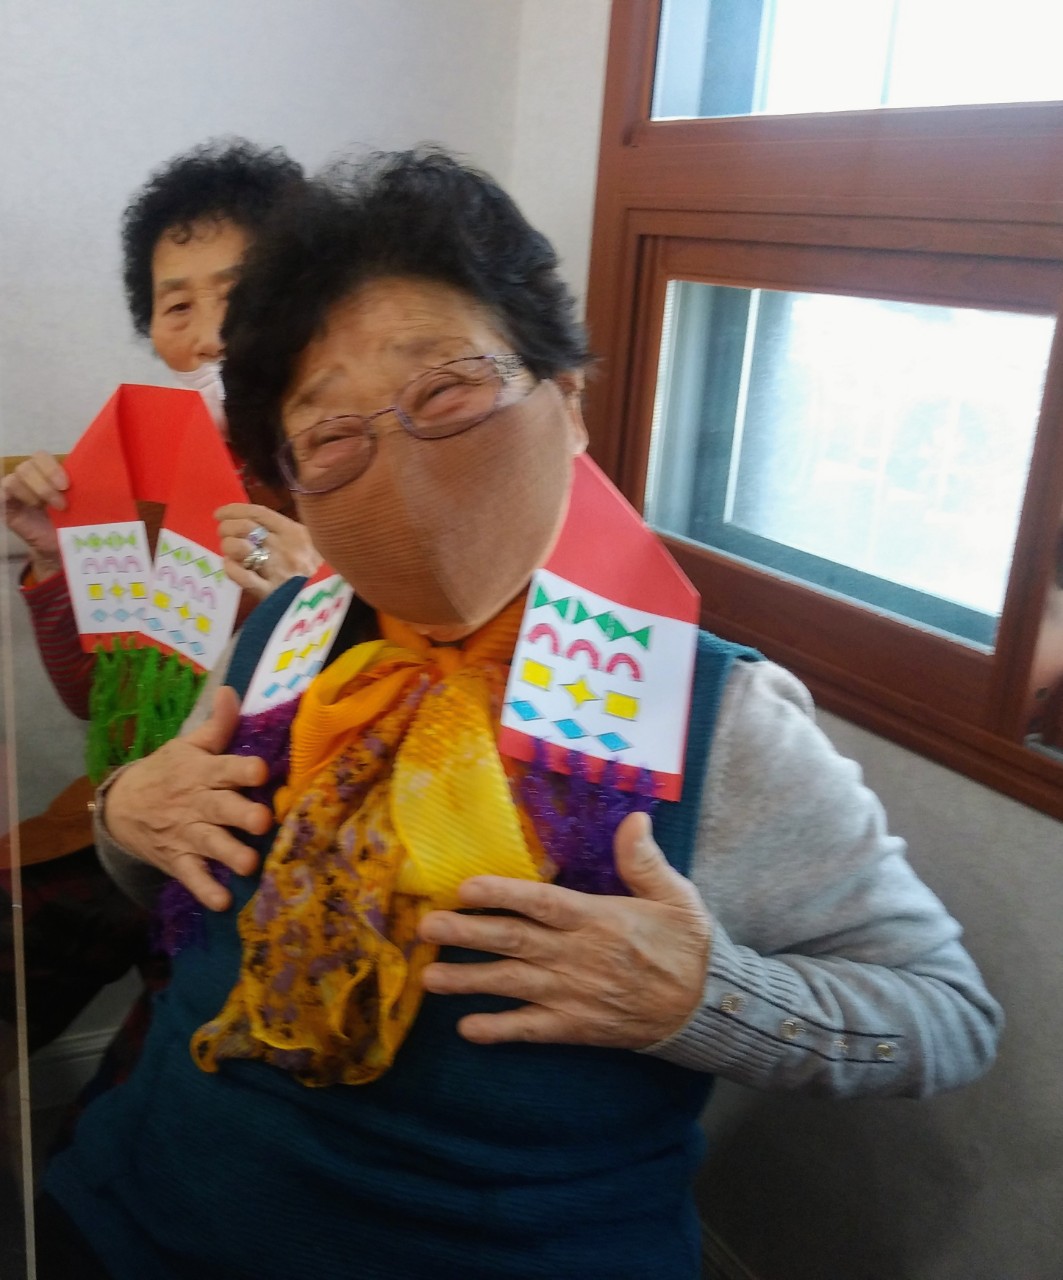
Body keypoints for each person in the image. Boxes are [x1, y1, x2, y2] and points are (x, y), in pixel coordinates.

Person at [39, 149, 1002, 1280]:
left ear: (568, 398)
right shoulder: (284, 631)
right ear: (287, 477)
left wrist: (703, 997)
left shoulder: (708, 713)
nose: (402, 468)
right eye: (331, 435)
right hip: (138, 1203)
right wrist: (123, 810)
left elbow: (945, 1016)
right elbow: (176, 872)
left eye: (447, 391)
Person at [0, 140, 318, 1064]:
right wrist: (55, 559)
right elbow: (89, 695)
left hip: (272, 847)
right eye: (178, 307)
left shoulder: (347, 464)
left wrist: (307, 593)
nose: (210, 334)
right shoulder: (141, 473)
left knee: (166, 1067)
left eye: (238, 295)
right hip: (126, 801)